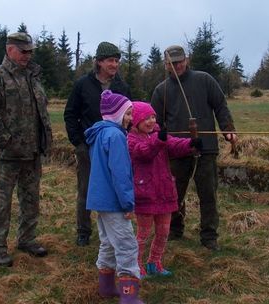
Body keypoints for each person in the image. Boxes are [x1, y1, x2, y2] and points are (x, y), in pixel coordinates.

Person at [150, 45, 237, 251]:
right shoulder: (161, 90)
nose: (177, 65)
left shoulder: (204, 80)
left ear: (187, 60)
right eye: (173, 63)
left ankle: (209, 237)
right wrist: (157, 138)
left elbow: (220, 106)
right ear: (166, 65)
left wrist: (228, 129)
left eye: (180, 61)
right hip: (176, 152)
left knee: (208, 194)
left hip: (205, 150)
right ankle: (174, 229)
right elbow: (154, 123)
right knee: (173, 194)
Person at [0, 32, 52, 266]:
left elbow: (41, 113)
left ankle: (27, 239)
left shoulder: (33, 77)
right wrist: (5, 141)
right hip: (6, 156)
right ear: (10, 50)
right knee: (1, 202)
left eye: (30, 51)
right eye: (23, 51)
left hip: (32, 153)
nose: (27, 56)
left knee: (31, 200)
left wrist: (44, 141)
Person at [64, 41, 131, 247]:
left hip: (115, 147)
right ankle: (83, 231)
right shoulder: (82, 85)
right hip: (89, 148)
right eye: (110, 60)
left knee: (114, 187)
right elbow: (70, 114)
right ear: (99, 62)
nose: (115, 64)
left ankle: (113, 229)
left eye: (117, 61)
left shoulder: (122, 87)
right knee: (85, 189)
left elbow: (130, 114)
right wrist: (79, 143)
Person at [128, 101, 201, 277]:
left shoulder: (158, 135)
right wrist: (159, 140)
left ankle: (154, 262)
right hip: (145, 193)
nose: (151, 121)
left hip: (164, 191)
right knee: (143, 234)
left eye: (153, 116)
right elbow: (144, 152)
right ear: (136, 120)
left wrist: (192, 144)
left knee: (163, 232)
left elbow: (175, 144)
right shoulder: (130, 139)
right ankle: (136, 265)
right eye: (146, 118)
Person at [85, 90, 143, 303]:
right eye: (127, 114)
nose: (130, 118)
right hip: (115, 201)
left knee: (108, 242)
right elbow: (120, 174)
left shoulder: (99, 133)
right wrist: (128, 203)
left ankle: (107, 287)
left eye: (131, 114)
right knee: (127, 245)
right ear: (116, 114)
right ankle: (129, 297)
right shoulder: (116, 136)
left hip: (100, 200)